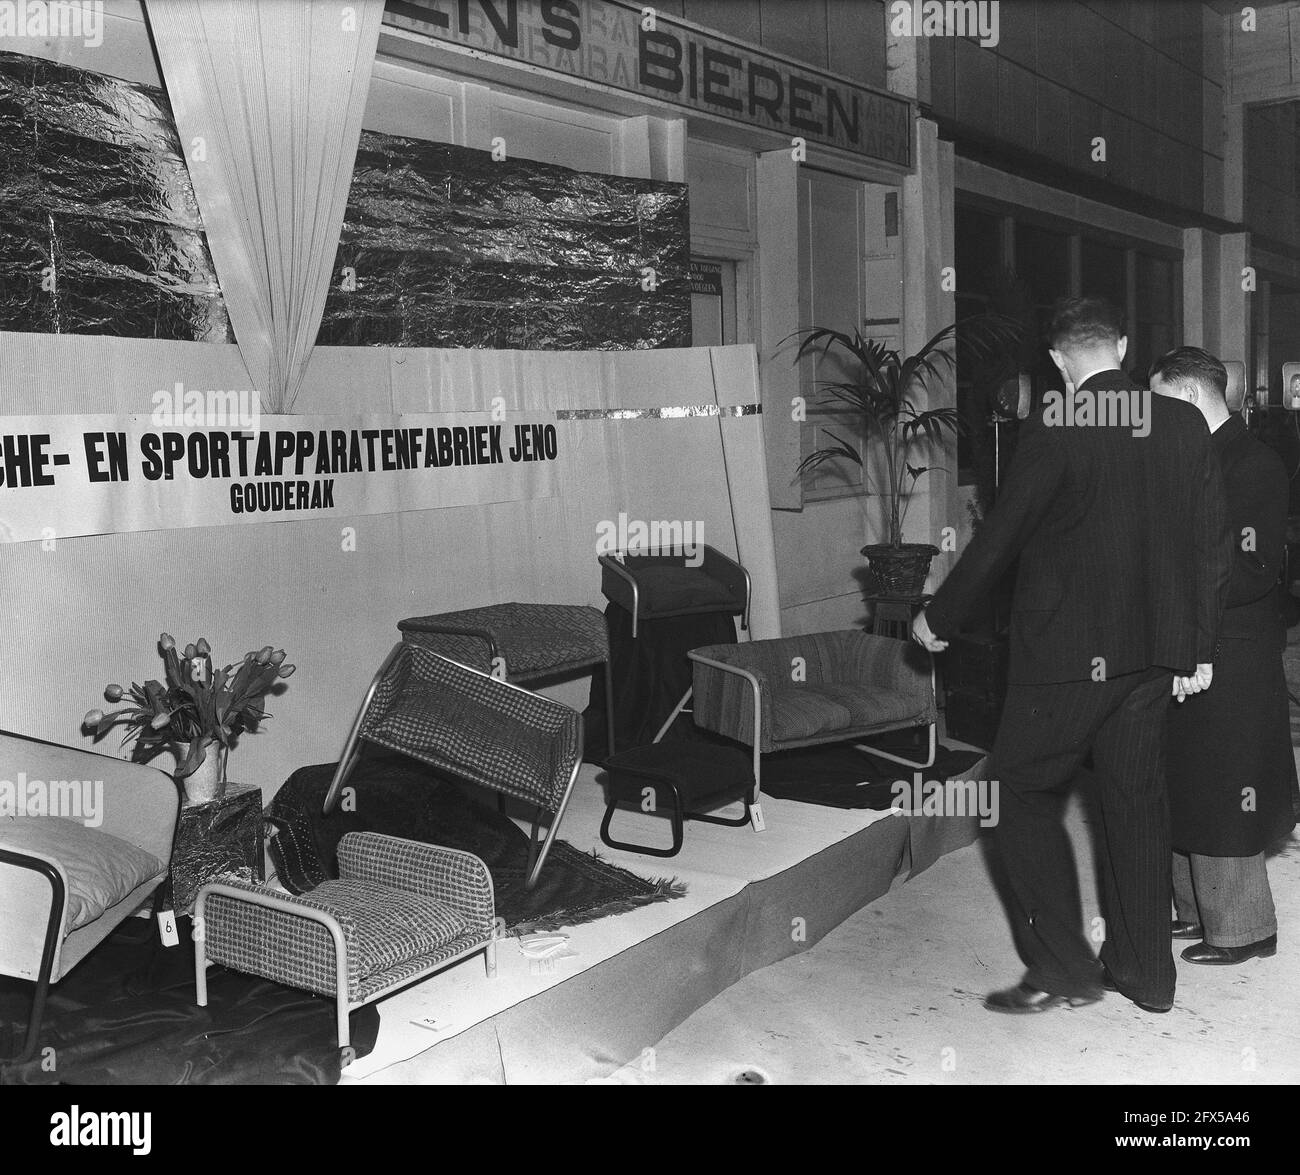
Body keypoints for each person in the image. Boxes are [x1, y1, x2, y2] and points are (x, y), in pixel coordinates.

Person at [912, 297, 1231, 1015]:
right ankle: (1148, 977)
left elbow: (1004, 536)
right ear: (1121, 344)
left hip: (1066, 658)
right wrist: (1197, 649)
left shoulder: (1056, 422)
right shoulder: (1182, 422)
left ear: (1057, 360)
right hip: (1153, 657)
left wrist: (940, 615)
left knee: (1017, 792)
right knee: (1137, 803)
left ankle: (1064, 968)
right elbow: (1213, 545)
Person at [1150, 346, 1297, 964]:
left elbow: (1251, 571)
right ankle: (1193, 910)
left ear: (1187, 398)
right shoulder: (1193, 457)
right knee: (1184, 776)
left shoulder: (1253, 463)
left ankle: (1244, 930)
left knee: (1225, 784)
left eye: (1157, 403)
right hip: (1191, 642)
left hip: (1229, 649)